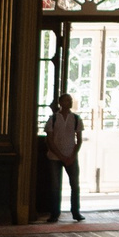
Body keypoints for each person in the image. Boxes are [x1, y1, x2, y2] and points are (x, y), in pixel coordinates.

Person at [42, 94, 84, 223]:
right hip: (55, 157)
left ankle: (76, 212)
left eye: (70, 100)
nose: (69, 102)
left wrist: (72, 155)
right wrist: (61, 156)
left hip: (70, 156)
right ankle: (54, 213)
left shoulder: (76, 119)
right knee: (55, 186)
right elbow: (49, 140)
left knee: (75, 185)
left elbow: (79, 140)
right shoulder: (53, 119)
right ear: (60, 102)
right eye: (66, 100)